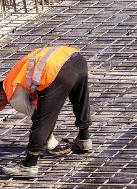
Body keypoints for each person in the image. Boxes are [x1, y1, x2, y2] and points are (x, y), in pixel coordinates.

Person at [2, 45, 92, 180]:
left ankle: (29, 165)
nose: (3, 107)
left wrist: (49, 140)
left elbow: (39, 116)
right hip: (77, 60)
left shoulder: (12, 93)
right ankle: (84, 139)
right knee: (80, 100)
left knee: (43, 119)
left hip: (56, 70)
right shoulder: (14, 77)